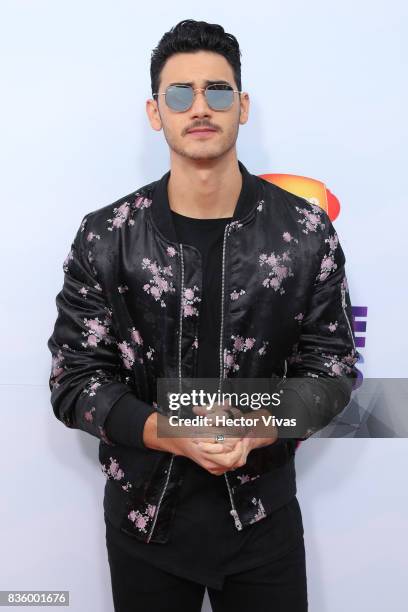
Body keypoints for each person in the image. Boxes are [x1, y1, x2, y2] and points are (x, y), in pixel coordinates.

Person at [47, 19, 360, 612]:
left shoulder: (304, 231)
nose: (199, 107)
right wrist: (174, 432)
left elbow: (333, 369)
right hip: (145, 525)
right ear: (154, 111)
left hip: (263, 522)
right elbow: (75, 382)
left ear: (242, 107)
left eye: (218, 91)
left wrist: (256, 427)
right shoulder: (106, 237)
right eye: (179, 93)